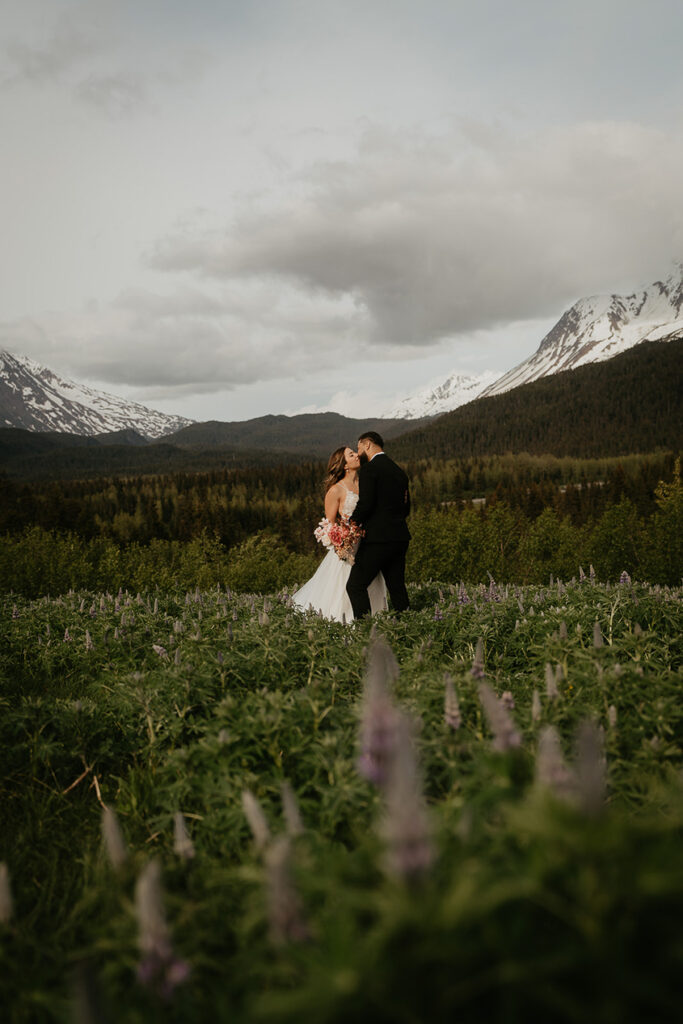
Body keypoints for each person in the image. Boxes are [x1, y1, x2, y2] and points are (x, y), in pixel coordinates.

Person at [291, 445, 387, 622]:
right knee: (345, 587)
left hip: (369, 545)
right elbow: (330, 524)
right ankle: (347, 624)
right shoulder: (335, 490)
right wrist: (341, 543)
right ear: (344, 465)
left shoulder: (366, 482)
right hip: (348, 549)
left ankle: (375, 623)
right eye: (351, 454)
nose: (357, 455)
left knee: (371, 585)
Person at [346, 431, 411, 619]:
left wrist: (351, 523)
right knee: (397, 587)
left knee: (355, 586)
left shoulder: (370, 469)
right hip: (400, 537)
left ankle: (366, 632)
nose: (358, 453)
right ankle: (408, 629)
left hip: (378, 540)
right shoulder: (399, 471)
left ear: (367, 444)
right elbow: (407, 507)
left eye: (358, 447)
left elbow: (366, 503)